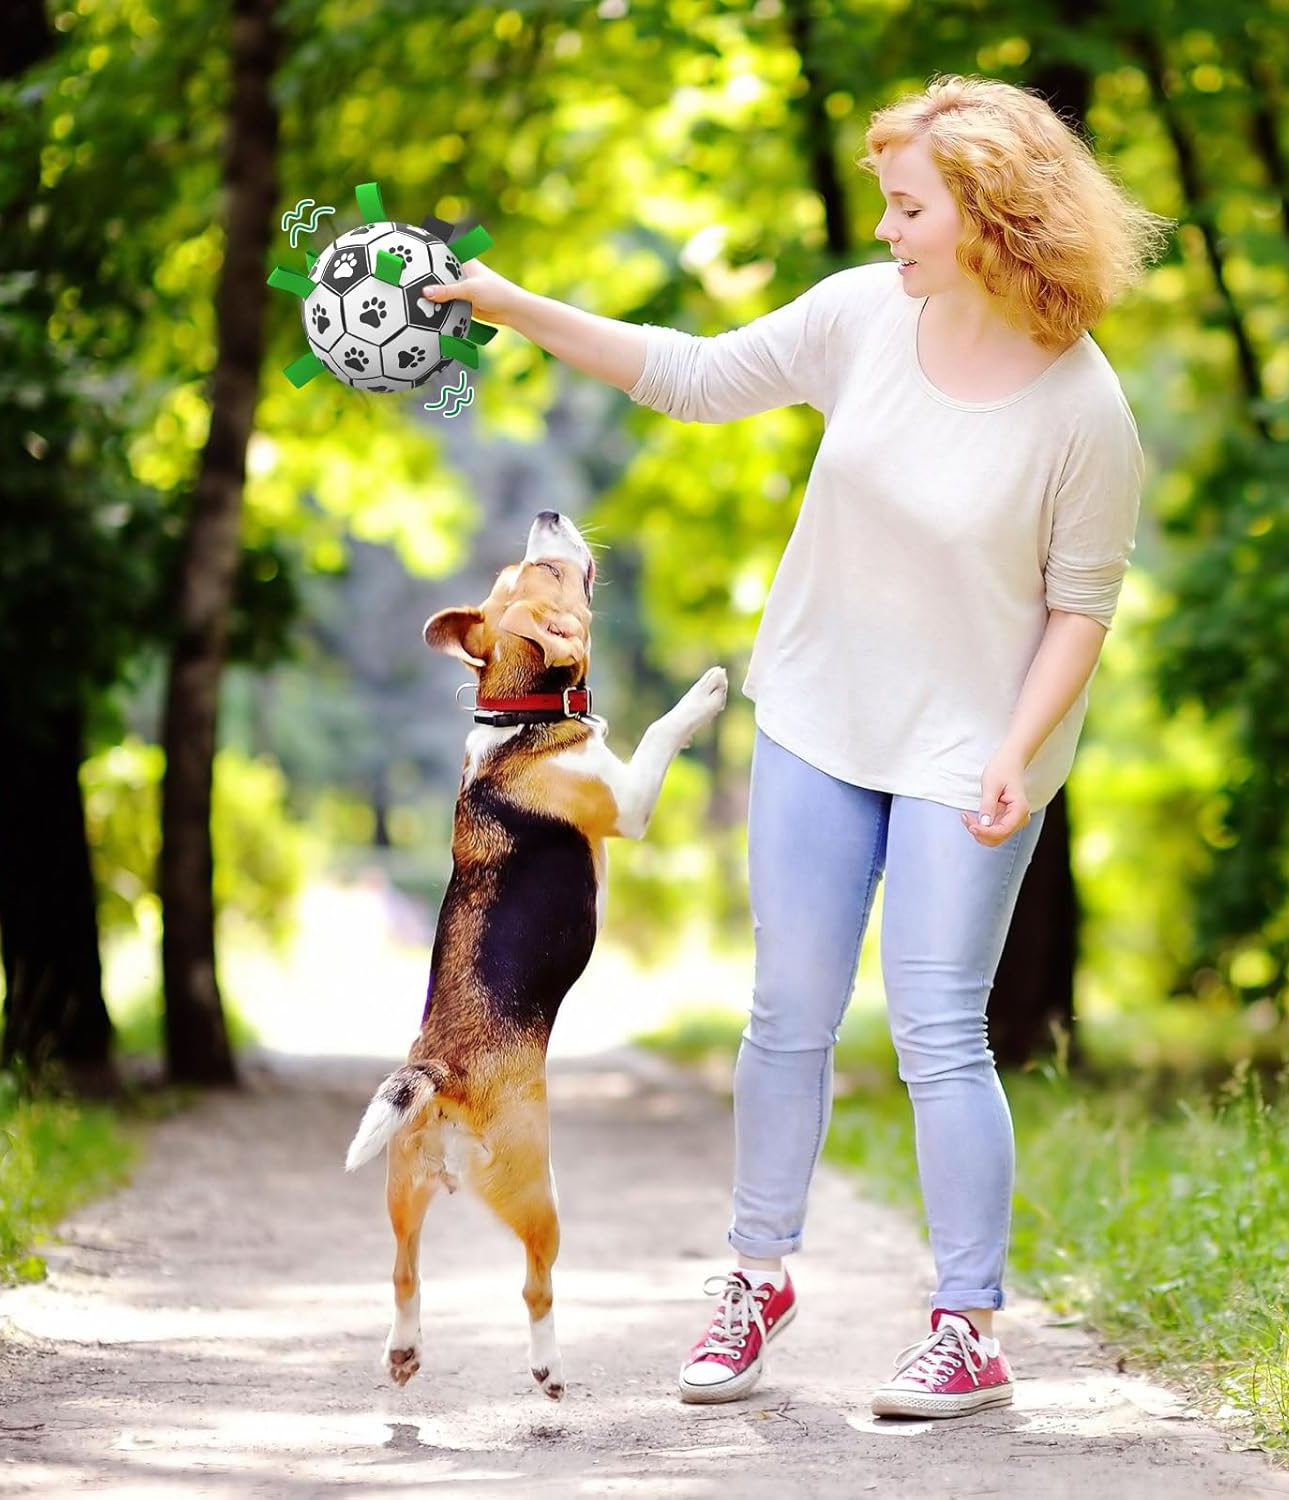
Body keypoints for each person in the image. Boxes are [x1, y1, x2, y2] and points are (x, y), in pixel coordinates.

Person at [421, 73, 1169, 1419]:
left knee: (942, 1030)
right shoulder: (862, 321)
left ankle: (968, 1324)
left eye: (908, 206)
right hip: (824, 714)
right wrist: (511, 306)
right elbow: (696, 378)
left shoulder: (1082, 410)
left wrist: (1017, 745)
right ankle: (753, 1279)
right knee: (788, 1015)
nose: (886, 230)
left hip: (972, 752)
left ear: (992, 214)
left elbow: (1081, 608)